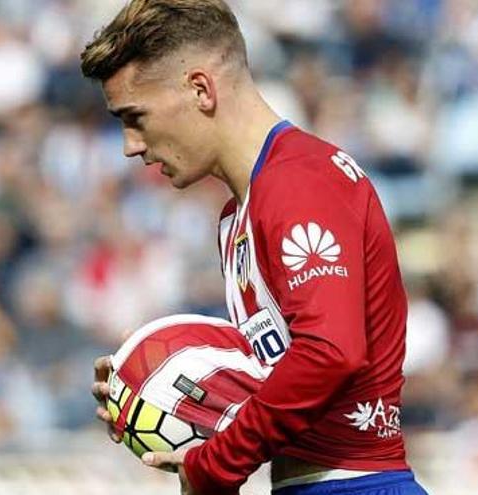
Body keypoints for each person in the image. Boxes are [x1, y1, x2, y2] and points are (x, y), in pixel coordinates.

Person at [81, 1, 428, 494]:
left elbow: (331, 353)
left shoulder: (299, 182)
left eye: (135, 117)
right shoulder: (240, 212)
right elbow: (279, 367)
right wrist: (148, 382)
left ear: (200, 89)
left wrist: (218, 463)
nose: (130, 145)